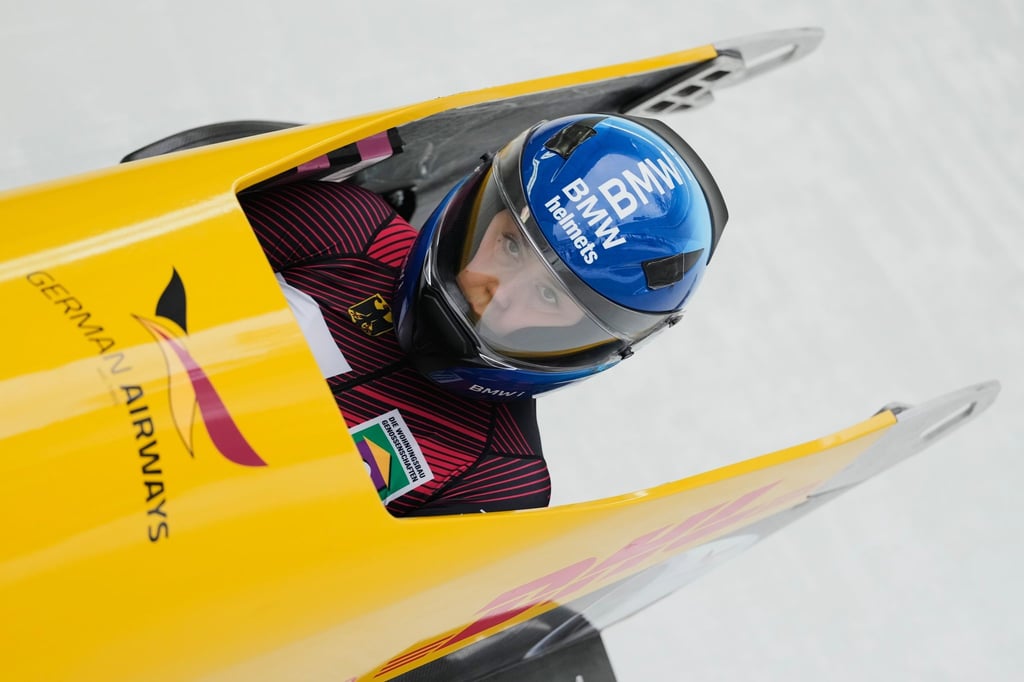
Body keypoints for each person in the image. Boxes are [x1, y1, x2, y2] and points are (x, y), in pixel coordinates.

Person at [238, 114, 728, 516]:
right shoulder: (342, 226)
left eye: (550, 296)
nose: (499, 293)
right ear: (478, 209)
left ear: (587, 340)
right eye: (510, 245)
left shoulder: (495, 475)